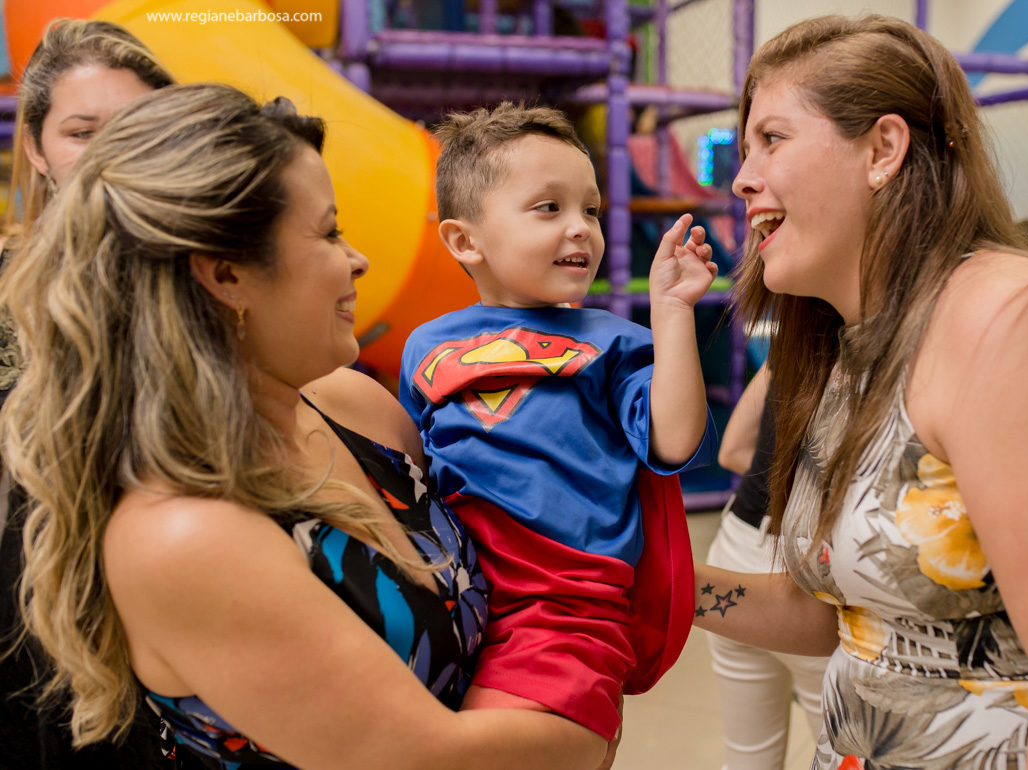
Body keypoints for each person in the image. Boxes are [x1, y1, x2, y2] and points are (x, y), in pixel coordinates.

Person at [0, 83, 611, 770]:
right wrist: (594, 721)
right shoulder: (184, 535)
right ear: (227, 274)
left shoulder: (355, 407)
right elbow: (430, 758)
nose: (358, 260)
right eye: (327, 233)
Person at [692, 14, 1028, 770]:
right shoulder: (850, 346)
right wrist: (649, 581)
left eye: (772, 140)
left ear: (882, 149)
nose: (742, 177)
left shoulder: (1013, 313)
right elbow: (840, 620)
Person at [399, 102, 718, 742]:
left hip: (564, 611)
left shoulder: (615, 343)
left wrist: (673, 313)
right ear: (465, 240)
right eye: (550, 208)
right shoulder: (426, 345)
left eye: (591, 210)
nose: (581, 228)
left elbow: (674, 439)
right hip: (455, 597)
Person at [0, 18, 174, 770]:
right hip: (26, 632)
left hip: (168, 629)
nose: (111, 155)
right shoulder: (10, 293)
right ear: (37, 148)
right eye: (82, 131)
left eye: (136, 128)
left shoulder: (207, 283)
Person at [705, 361, 828, 770]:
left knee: (748, 758)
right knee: (843, 752)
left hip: (734, 548)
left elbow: (733, 451)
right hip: (813, 569)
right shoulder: (885, 350)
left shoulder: (793, 342)